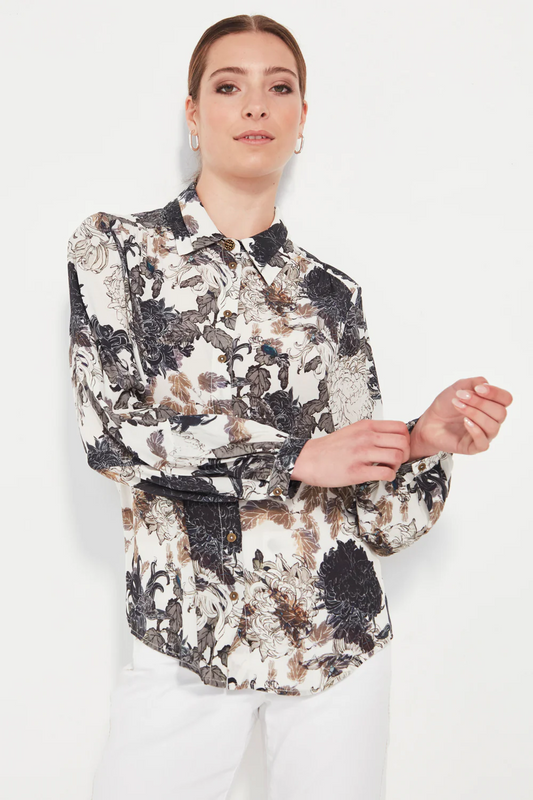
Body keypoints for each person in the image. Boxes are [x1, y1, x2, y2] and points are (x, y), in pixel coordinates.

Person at [67, 13, 513, 800]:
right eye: (228, 87)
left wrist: (419, 441)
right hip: (187, 640)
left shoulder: (330, 296)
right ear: (193, 114)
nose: (255, 106)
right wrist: (295, 456)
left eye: (279, 88)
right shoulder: (116, 249)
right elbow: (114, 437)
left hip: (335, 646)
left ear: (301, 118)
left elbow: (380, 523)